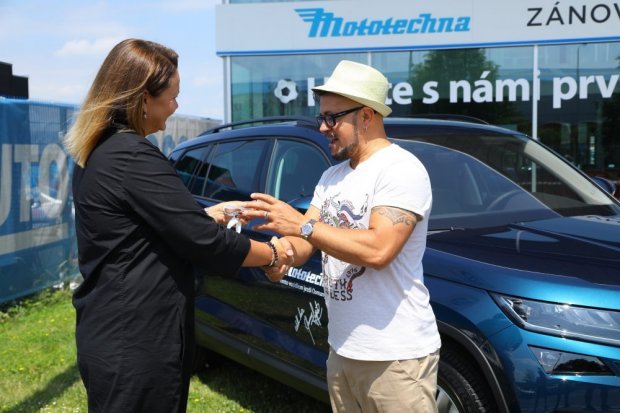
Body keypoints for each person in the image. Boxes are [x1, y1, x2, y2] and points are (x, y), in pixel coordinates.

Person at [63, 38, 293, 413]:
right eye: (172, 97)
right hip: (137, 342)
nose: (176, 106)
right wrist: (273, 253)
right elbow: (205, 242)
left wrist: (209, 214)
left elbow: (135, 231)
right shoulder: (133, 156)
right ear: (143, 99)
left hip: (112, 333)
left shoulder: (100, 150)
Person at [242, 60, 441, 412]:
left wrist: (302, 227)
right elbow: (304, 242)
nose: (323, 127)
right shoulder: (331, 177)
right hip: (342, 350)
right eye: (322, 117)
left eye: (332, 118)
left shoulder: (401, 170)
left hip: (394, 358)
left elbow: (379, 250)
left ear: (366, 116)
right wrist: (278, 255)